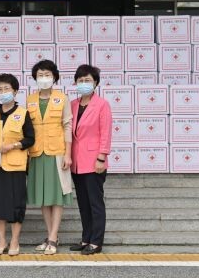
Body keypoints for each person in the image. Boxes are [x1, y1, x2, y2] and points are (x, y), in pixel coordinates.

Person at [26, 60, 73, 255]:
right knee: (44, 197)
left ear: (54, 77)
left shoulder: (62, 98)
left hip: (57, 152)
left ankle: (53, 237)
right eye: (40, 75)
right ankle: (50, 235)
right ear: (35, 78)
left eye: (47, 75)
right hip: (37, 153)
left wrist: (68, 154)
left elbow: (68, 126)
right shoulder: (30, 100)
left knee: (57, 196)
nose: (44, 78)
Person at [0, 74, 35, 257]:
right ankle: (2, 241)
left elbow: (30, 139)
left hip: (15, 167)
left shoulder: (23, 113)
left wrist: (13, 145)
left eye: (7, 88)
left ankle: (14, 241)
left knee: (16, 205)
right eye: (0, 89)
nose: (3, 92)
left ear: (15, 91)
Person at [70, 64, 112, 255]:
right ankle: (86, 238)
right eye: (80, 80)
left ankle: (96, 241)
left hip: (95, 161)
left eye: (87, 80)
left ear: (95, 83)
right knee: (83, 204)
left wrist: (102, 157)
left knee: (95, 203)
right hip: (77, 163)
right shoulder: (73, 104)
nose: (84, 83)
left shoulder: (102, 104)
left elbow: (105, 132)